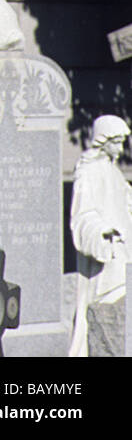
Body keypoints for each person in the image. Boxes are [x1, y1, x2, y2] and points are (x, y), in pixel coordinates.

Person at [68, 115, 132, 357]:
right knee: (104, 314)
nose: (121, 148)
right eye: (116, 142)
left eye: (122, 142)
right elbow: (82, 215)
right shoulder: (88, 173)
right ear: (102, 141)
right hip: (106, 253)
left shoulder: (113, 172)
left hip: (125, 250)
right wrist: (102, 231)